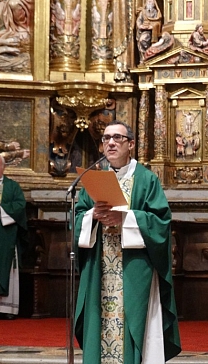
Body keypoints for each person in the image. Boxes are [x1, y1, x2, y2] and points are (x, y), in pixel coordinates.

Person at [74, 120, 181, 363]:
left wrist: (126, 219)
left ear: (130, 144)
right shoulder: (94, 180)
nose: (110, 143)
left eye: (117, 138)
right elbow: (78, 218)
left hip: (135, 269)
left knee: (134, 325)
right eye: (105, 138)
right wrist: (92, 217)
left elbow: (161, 223)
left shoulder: (146, 179)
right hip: (100, 270)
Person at [0, 153, 27, 319]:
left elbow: (20, 206)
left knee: (3, 265)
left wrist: (0, 209)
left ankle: (4, 308)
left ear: (3, 167)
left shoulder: (12, 186)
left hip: (4, 237)